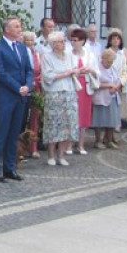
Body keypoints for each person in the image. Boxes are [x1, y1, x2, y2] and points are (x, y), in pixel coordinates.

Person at [0, 17, 31, 182]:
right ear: (7, 30)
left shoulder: (21, 47)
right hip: (6, 96)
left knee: (14, 134)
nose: (20, 29)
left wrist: (27, 85)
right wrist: (17, 87)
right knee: (2, 132)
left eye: (20, 26)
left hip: (20, 96)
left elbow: (28, 69)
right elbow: (0, 72)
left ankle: (9, 168)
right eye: (16, 26)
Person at [41, 32, 79, 167]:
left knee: (67, 123)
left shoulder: (69, 55)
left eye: (63, 41)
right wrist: (65, 73)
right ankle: (51, 154)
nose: (63, 44)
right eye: (60, 41)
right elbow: (48, 76)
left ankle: (61, 155)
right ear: (53, 44)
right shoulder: (47, 57)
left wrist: (75, 71)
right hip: (54, 93)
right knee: (53, 124)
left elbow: (74, 69)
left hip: (69, 92)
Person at [69, 27, 98, 154]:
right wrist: (75, 71)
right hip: (73, 86)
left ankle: (81, 145)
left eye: (76, 40)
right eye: (72, 40)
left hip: (85, 87)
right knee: (72, 116)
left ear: (82, 41)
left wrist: (89, 70)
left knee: (84, 117)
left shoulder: (89, 55)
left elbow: (97, 71)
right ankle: (69, 145)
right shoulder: (68, 54)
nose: (73, 43)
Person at [92, 49, 121, 149]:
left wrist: (116, 87)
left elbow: (118, 79)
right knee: (99, 120)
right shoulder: (97, 69)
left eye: (111, 61)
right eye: (108, 61)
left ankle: (108, 139)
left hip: (112, 96)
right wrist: (109, 85)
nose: (110, 63)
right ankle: (98, 140)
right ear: (103, 59)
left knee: (112, 119)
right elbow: (95, 84)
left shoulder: (113, 68)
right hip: (101, 97)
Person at [21, 30, 43, 158]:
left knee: (35, 118)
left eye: (31, 40)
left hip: (36, 88)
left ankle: (33, 148)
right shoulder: (21, 53)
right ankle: (20, 147)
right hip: (23, 88)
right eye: (26, 39)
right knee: (22, 118)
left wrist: (36, 82)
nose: (29, 42)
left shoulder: (37, 54)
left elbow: (40, 71)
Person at [106, 28, 127, 143]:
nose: (116, 41)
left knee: (119, 109)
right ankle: (108, 135)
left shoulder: (122, 55)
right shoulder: (107, 53)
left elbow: (125, 71)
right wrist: (112, 84)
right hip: (109, 85)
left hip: (119, 84)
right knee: (110, 111)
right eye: (113, 39)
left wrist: (120, 83)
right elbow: (106, 69)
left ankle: (116, 127)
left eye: (118, 39)